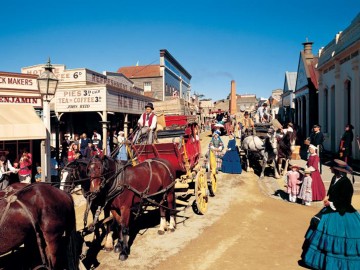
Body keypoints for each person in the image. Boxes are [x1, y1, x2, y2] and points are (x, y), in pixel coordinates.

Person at [300, 159, 360, 269]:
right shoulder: (334, 178)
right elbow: (332, 193)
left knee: (339, 237)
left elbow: (346, 201)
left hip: (341, 211)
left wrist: (331, 203)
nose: (330, 168)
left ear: (337, 170)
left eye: (332, 167)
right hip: (331, 208)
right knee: (317, 224)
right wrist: (328, 198)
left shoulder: (346, 183)